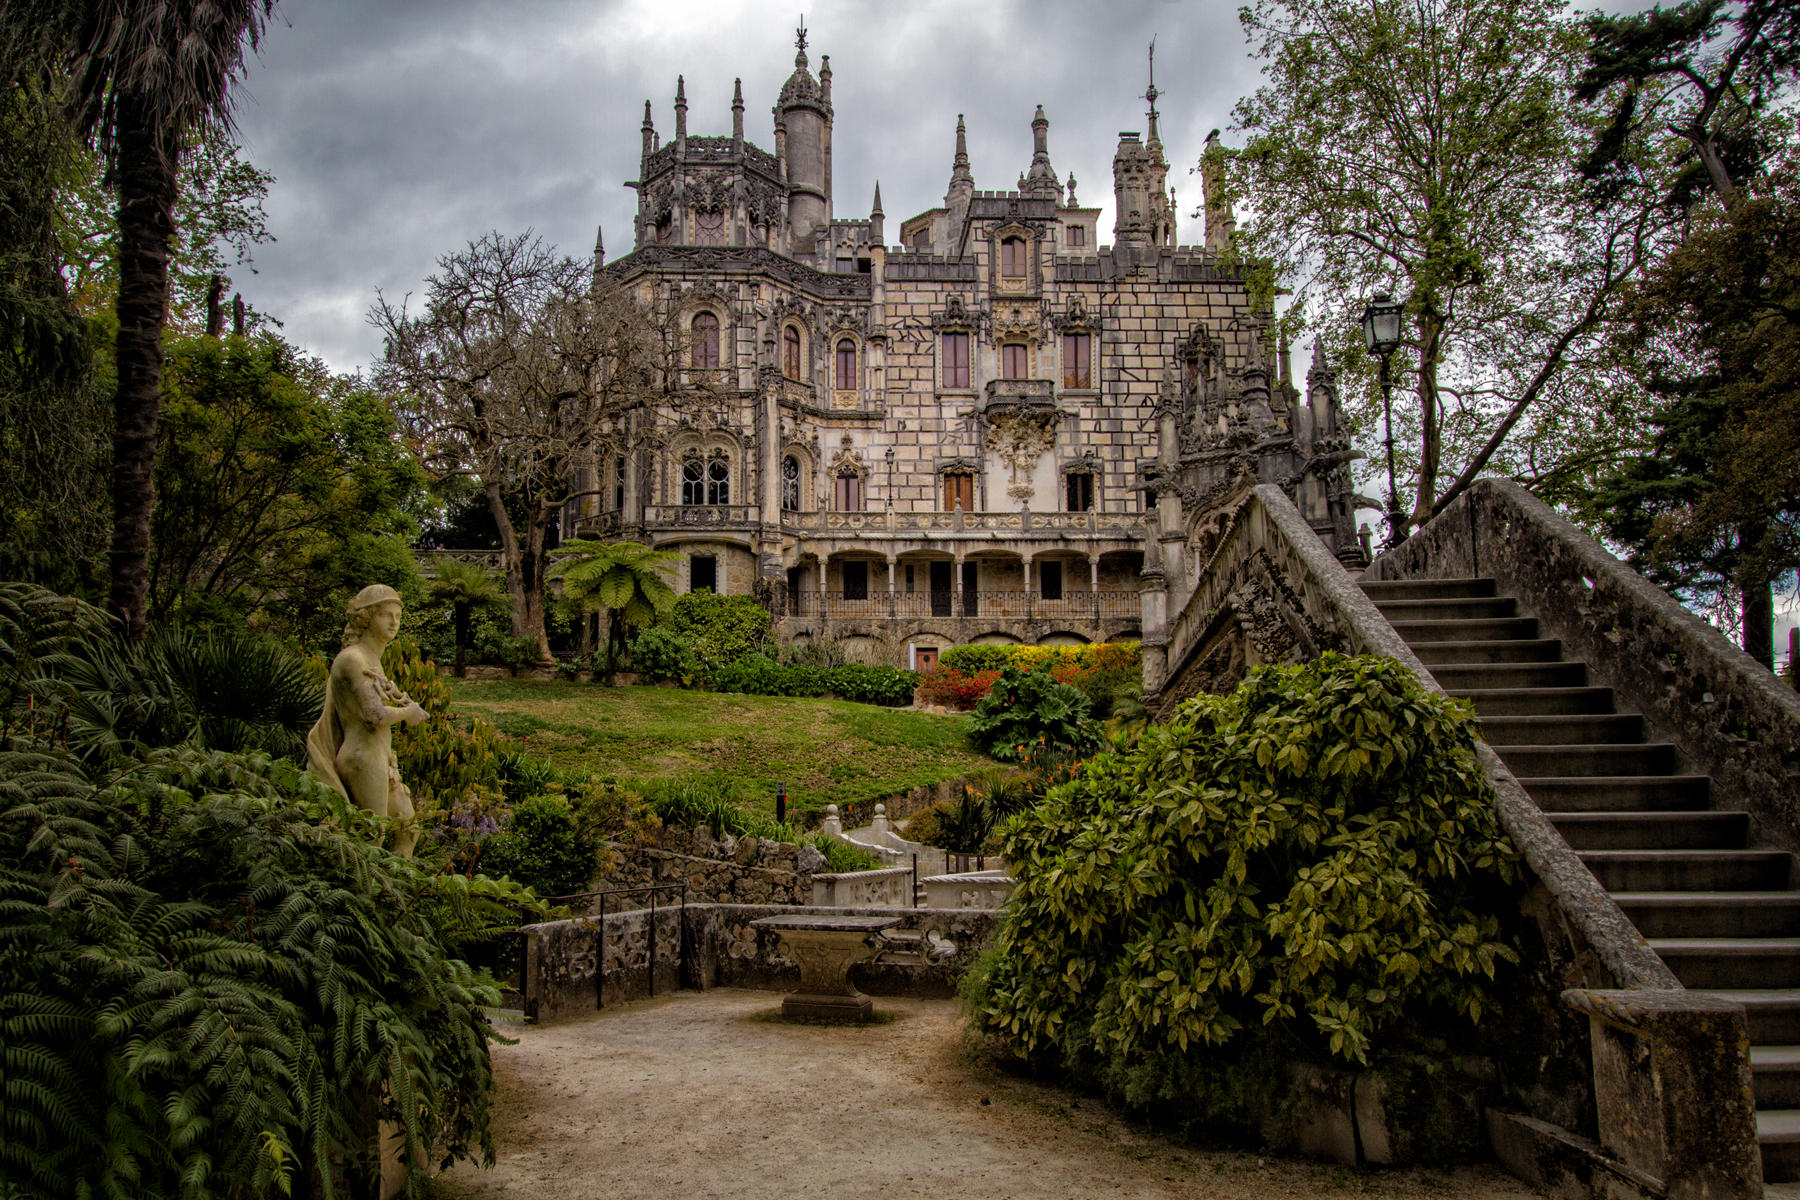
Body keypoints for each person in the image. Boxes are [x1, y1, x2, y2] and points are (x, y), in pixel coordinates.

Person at [306, 584, 430, 856]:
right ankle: (362, 893)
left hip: (381, 758)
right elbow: (374, 716)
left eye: (398, 616)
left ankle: (392, 890)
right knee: (371, 836)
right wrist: (409, 712)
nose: (394, 623)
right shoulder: (354, 659)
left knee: (408, 829)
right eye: (386, 615)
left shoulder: (373, 658)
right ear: (366, 617)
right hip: (362, 758)